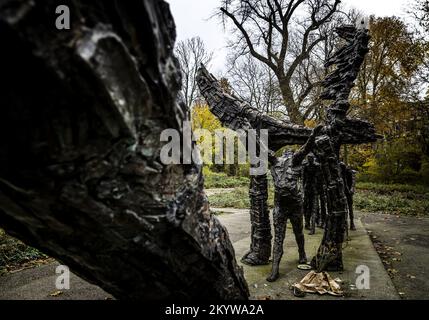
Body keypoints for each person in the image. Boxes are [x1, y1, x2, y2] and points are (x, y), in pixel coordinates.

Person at [267, 125, 323, 282]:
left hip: (295, 205)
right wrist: (249, 132)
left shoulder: (297, 161)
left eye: (289, 154)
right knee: (279, 237)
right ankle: (275, 269)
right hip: (280, 206)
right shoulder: (275, 162)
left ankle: (302, 253)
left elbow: (306, 148)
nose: (286, 156)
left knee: (298, 232)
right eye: (285, 153)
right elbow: (261, 149)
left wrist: (313, 135)